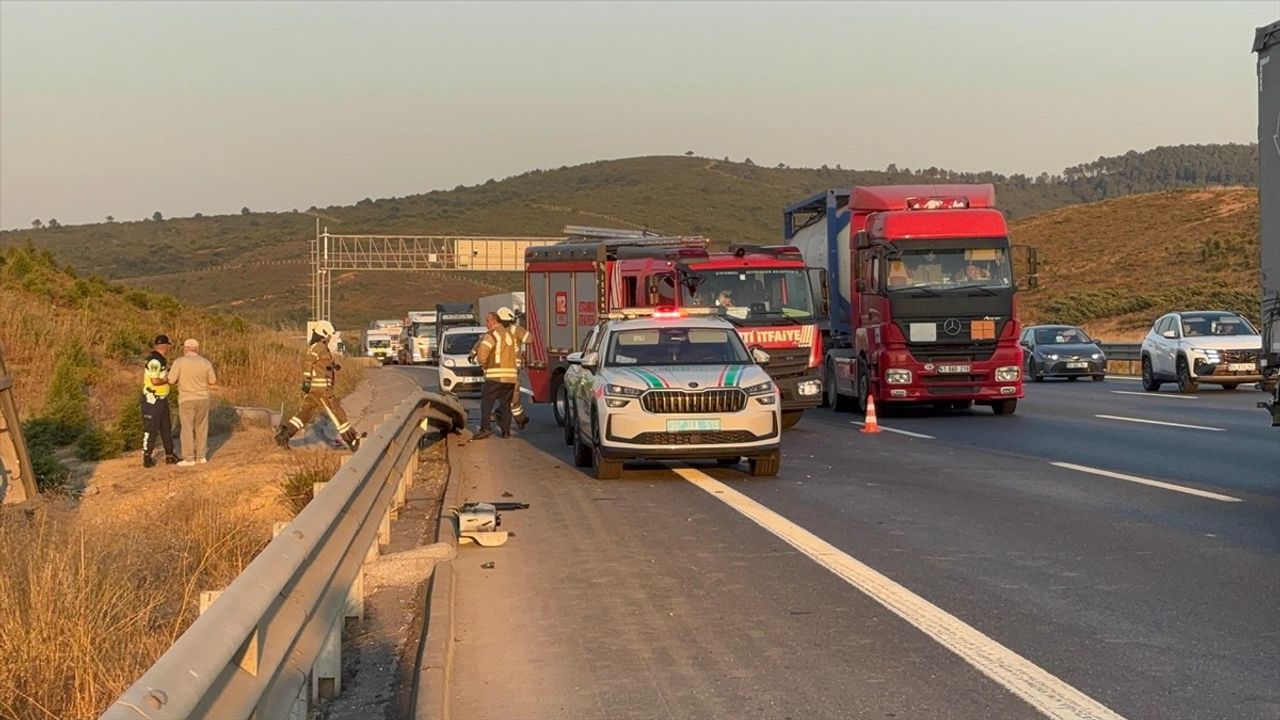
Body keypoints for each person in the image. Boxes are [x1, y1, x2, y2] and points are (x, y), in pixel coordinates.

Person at [274, 321, 361, 451]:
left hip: (315, 389)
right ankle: (350, 439)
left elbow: (320, 365)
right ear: (324, 333)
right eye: (329, 335)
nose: (330, 338)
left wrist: (332, 367)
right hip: (321, 390)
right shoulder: (319, 347)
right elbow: (308, 363)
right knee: (336, 413)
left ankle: (283, 436)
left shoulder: (318, 347)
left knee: (304, 414)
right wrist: (306, 380)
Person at [166, 338, 219, 466]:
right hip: (203, 398)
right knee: (201, 427)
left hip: (186, 399)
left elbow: (171, 380)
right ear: (197, 349)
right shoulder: (205, 362)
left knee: (187, 428)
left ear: (185, 348)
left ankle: (189, 458)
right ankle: (201, 456)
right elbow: (212, 381)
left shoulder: (179, 362)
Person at [472, 309, 520, 439]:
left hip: (495, 375)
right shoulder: (510, 335)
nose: (486, 324)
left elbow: (482, 355)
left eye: (487, 321)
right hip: (510, 377)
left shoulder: (492, 334)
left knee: (487, 402)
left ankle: (485, 428)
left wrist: (482, 363)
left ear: (493, 321)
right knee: (505, 404)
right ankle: (505, 431)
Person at [140, 334, 180, 468]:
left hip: (161, 399)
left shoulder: (161, 359)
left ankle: (170, 454)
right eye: (169, 345)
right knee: (151, 428)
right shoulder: (155, 361)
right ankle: (147, 456)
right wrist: (167, 380)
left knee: (165, 427)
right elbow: (155, 381)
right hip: (152, 399)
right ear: (165, 346)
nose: (170, 348)